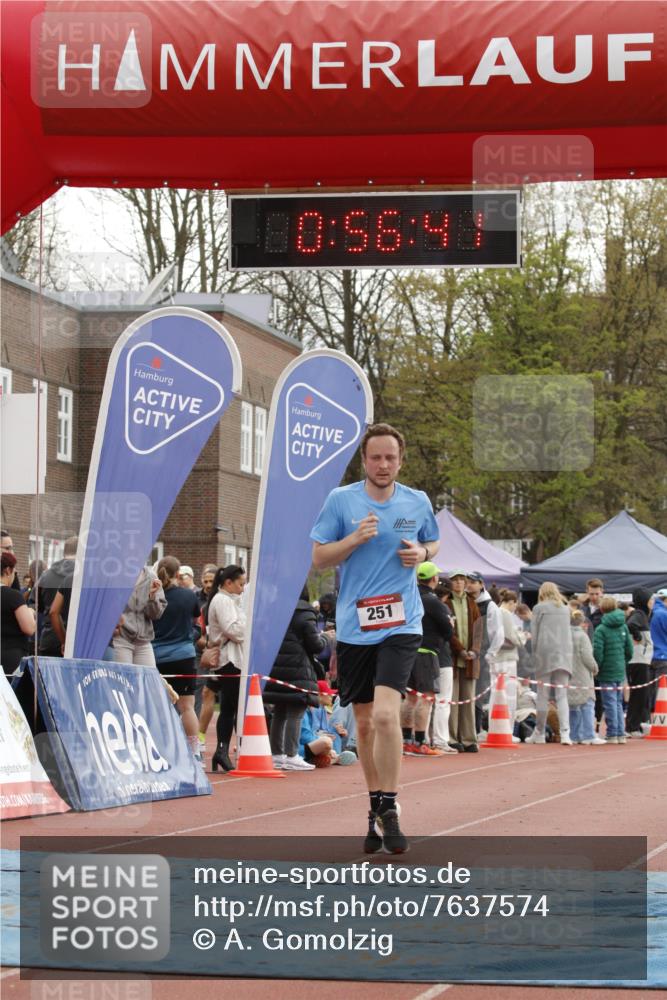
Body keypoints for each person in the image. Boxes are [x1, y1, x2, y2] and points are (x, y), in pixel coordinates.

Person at [311, 422, 439, 855]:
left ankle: (390, 804)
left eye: (391, 457)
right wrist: (353, 539)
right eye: (375, 457)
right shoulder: (341, 500)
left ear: (401, 460)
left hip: (402, 623)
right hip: (354, 627)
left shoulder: (416, 501)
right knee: (363, 724)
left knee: (387, 716)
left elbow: (433, 543)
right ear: (364, 461)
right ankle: (374, 805)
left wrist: (421, 554)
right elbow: (318, 558)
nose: (383, 465)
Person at [263, 584, 329, 771]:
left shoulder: (275, 611)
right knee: (296, 712)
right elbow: (315, 645)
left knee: (280, 712)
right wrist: (326, 638)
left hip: (277, 667)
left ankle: (277, 754)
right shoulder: (305, 613)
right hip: (298, 668)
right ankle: (292, 754)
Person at [152, 556, 202, 759]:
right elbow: (196, 618)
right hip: (183, 655)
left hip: (156, 656)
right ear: (178, 573)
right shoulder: (188, 596)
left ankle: (163, 751)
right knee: (187, 706)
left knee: (160, 707)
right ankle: (194, 752)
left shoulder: (152, 594)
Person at [401, 561, 452, 756]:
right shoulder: (433, 602)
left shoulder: (408, 596)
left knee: (410, 698)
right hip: (426, 653)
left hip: (407, 651)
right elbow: (448, 629)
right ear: (434, 579)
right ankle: (421, 742)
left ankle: (406, 741)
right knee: (426, 698)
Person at [205, 565, 247, 772]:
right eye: (240, 584)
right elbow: (234, 631)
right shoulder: (222, 601)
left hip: (231, 659)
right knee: (234, 707)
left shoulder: (228, 600)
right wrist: (246, 625)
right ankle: (227, 750)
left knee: (229, 708)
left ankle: (222, 751)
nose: (243, 588)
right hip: (228, 659)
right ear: (228, 583)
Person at [526, 581, 573, 745]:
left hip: (544, 654)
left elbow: (534, 633)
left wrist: (534, 653)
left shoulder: (539, 608)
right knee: (562, 695)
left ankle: (539, 732)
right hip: (564, 653)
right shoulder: (566, 609)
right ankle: (565, 732)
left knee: (542, 695)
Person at [444, 570, 481, 752]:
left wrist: (474, 650)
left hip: (470, 660)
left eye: (461, 580)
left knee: (468, 700)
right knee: (452, 699)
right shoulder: (446, 602)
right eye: (455, 580)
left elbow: (478, 629)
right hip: (452, 657)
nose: (458, 583)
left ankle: (468, 738)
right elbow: (447, 632)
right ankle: (452, 737)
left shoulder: (472, 603)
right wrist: (460, 650)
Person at [465, 572, 504, 737]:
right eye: (468, 582)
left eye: (472, 582)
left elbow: (498, 633)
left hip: (481, 655)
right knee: (465, 693)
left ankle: (477, 728)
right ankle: (466, 729)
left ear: (481, 584)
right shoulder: (463, 601)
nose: (469, 585)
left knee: (478, 692)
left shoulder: (490, 606)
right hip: (464, 653)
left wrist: (490, 654)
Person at [593, 596, 633, 743]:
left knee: (609, 702)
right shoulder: (623, 626)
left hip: (606, 671)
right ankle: (620, 733)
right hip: (619, 668)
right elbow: (630, 650)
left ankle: (612, 733)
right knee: (617, 702)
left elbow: (598, 652)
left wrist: (597, 667)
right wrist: (623, 662)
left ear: (602, 609)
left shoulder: (601, 629)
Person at [114, 565, 166, 665]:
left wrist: (152, 598)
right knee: (123, 679)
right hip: (121, 639)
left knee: (147, 679)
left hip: (144, 641)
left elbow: (156, 615)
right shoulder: (116, 576)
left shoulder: (151, 576)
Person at [33, 537, 77, 655]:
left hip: (48, 640)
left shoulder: (45, 575)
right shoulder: (83, 576)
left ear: (64, 552)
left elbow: (34, 604)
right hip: (74, 641)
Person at [298, 680, 358, 767]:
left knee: (333, 733)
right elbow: (304, 736)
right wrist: (321, 737)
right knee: (326, 741)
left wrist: (337, 731)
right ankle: (333, 758)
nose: (331, 696)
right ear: (320, 695)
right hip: (301, 748)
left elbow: (324, 730)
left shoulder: (321, 708)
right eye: (328, 694)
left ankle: (331, 757)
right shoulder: (304, 710)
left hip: (313, 744)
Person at [568, 609, 605, 745]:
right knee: (587, 703)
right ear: (582, 622)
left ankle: (574, 734)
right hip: (583, 674)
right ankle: (589, 734)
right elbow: (587, 656)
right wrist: (595, 668)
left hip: (570, 673)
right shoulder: (583, 636)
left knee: (573, 705)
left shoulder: (565, 636)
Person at [430, 580, 457, 753]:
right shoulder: (443, 609)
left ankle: (423, 739)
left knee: (424, 700)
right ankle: (440, 740)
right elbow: (449, 632)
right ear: (446, 595)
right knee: (443, 701)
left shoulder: (421, 603)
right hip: (443, 658)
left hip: (424, 656)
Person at [625, 588, 654, 736]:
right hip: (638, 660)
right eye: (650, 600)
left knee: (642, 694)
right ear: (644, 601)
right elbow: (630, 625)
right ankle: (632, 727)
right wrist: (637, 637)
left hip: (642, 659)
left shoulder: (644, 615)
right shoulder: (639, 614)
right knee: (638, 694)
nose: (653, 602)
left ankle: (638, 724)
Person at [1, 551, 36, 675]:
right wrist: (30, 612)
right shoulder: (13, 596)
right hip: (10, 658)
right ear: (7, 570)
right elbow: (29, 628)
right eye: (14, 571)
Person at [494, 589, 523, 734]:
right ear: (511, 602)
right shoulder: (505, 614)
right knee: (509, 695)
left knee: (497, 695)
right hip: (507, 658)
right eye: (514, 606)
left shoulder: (495, 612)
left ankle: (498, 729)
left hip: (496, 658)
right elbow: (512, 636)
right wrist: (522, 639)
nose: (514, 609)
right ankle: (508, 730)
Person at [649, 588, 667, 712]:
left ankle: (650, 718)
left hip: (650, 656)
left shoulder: (651, 612)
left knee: (652, 690)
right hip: (663, 655)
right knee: (662, 690)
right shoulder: (664, 614)